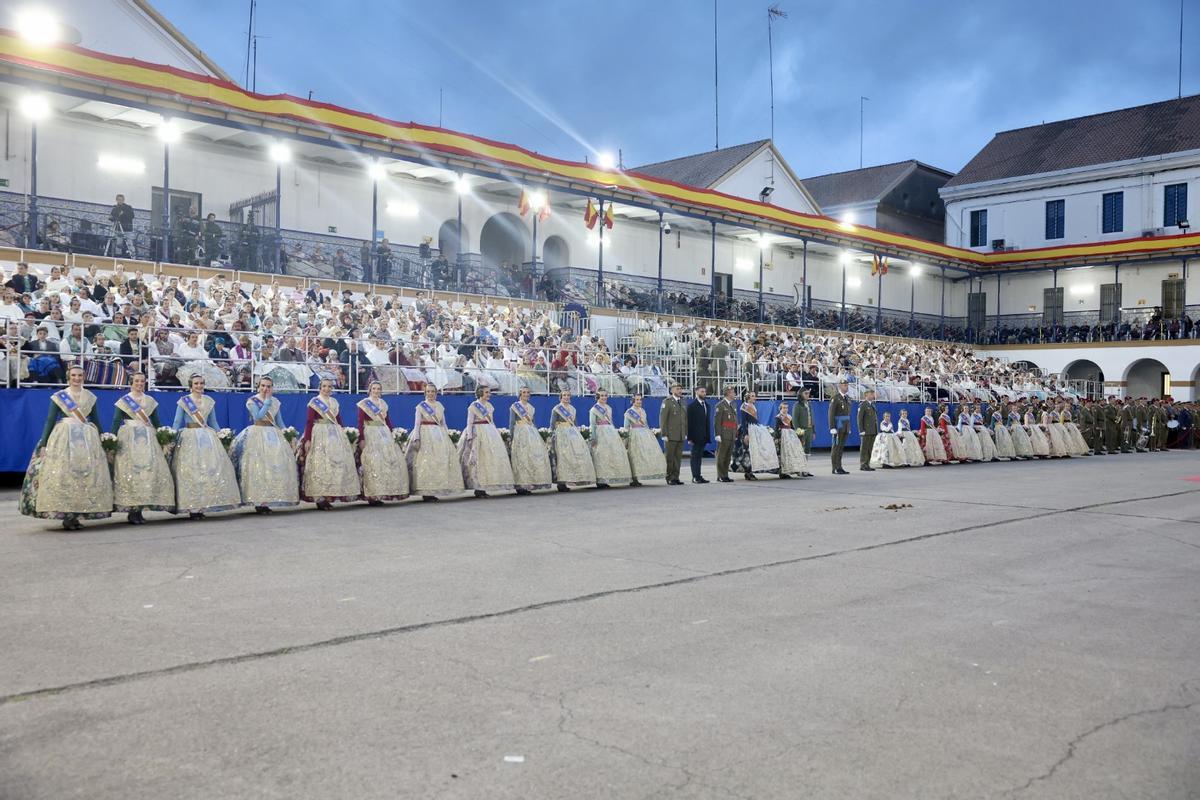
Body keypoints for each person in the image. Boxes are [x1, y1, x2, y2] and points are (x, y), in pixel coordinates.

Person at [19, 365, 113, 530]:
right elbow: (50, 419)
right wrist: (44, 443)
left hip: (87, 440)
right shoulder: (60, 396)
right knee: (66, 475)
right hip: (64, 438)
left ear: (84, 377)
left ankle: (76, 514)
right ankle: (67, 516)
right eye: (74, 375)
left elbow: (96, 420)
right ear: (69, 377)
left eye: (80, 375)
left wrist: (103, 438)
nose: (77, 378)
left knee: (84, 476)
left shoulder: (90, 397)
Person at [171, 374, 242, 519]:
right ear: (190, 385)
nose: (199, 386)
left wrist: (220, 434)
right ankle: (193, 508)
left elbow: (213, 421)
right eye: (196, 383)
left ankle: (204, 505)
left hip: (207, 437)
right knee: (192, 472)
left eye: (202, 383)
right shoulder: (184, 401)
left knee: (209, 470)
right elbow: (177, 422)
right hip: (189, 437)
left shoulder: (209, 401)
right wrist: (171, 437)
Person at [109, 372, 174, 524]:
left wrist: (163, 437)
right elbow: (116, 420)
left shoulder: (150, 400)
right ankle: (133, 510)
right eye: (136, 381)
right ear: (131, 382)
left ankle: (140, 509)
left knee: (147, 472)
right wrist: (111, 439)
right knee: (131, 473)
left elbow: (156, 421)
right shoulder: (124, 401)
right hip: (129, 438)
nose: (139, 383)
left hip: (148, 438)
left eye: (142, 381)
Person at [229, 376, 300, 514]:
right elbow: (258, 417)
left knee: (275, 465)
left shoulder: (276, 402)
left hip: (273, 434)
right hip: (257, 433)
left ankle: (271, 497)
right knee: (259, 468)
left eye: (268, 386)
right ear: (258, 386)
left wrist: (287, 434)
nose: (265, 389)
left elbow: (279, 421)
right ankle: (259, 501)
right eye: (263, 386)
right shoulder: (252, 401)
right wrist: (267, 402)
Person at [300, 378, 361, 509]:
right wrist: (308, 439)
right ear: (320, 388)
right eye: (324, 386)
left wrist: (345, 433)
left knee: (335, 463)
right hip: (319, 433)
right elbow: (309, 421)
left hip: (335, 434)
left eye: (329, 387)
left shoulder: (334, 402)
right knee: (321, 464)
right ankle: (320, 498)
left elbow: (338, 419)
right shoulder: (314, 402)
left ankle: (330, 495)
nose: (327, 389)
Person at [407, 385, 466, 501]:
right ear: (425, 393)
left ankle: (437, 488)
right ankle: (426, 491)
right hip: (425, 434)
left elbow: (443, 423)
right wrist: (417, 437)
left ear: (436, 393)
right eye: (428, 391)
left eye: (433, 391)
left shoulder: (439, 406)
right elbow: (417, 424)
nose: (430, 393)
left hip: (439, 435)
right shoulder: (421, 406)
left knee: (439, 461)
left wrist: (448, 436)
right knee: (427, 462)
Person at [460, 386, 516, 498]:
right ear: (480, 393)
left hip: (489, 432)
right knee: (478, 460)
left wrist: (496, 433)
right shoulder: (473, 406)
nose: (489, 394)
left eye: (489, 392)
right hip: (477, 433)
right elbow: (469, 423)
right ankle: (478, 488)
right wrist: (470, 436)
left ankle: (485, 485)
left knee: (488, 460)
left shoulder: (490, 406)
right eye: (486, 392)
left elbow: (492, 421)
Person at [508, 387, 552, 494]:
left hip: (531, 433)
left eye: (528, 392)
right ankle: (520, 485)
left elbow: (533, 422)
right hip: (520, 432)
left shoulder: (532, 408)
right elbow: (512, 422)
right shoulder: (515, 406)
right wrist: (511, 436)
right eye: (524, 392)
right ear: (520, 394)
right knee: (521, 458)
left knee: (532, 457)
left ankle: (530, 483)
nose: (526, 394)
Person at [549, 390, 596, 491]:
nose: (566, 397)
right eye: (564, 395)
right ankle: (561, 483)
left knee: (576, 456)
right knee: (564, 458)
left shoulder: (573, 409)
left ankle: (574, 478)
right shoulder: (557, 409)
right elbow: (552, 424)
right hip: (561, 435)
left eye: (568, 395)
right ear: (561, 397)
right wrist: (551, 436)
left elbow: (575, 423)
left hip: (573, 434)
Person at [589, 390, 632, 488]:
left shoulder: (609, 408)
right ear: (597, 397)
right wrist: (593, 437)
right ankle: (600, 479)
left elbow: (611, 421)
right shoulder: (594, 409)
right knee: (601, 455)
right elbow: (592, 424)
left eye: (605, 395)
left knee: (611, 454)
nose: (604, 397)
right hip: (600, 432)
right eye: (602, 396)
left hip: (610, 431)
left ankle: (608, 476)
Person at [734, 390, 779, 480]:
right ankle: (748, 472)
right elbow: (743, 421)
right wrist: (745, 433)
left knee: (758, 450)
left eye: (754, 396)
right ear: (748, 397)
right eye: (752, 396)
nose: (755, 397)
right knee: (748, 452)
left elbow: (756, 419)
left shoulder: (753, 406)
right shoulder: (744, 406)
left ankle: (754, 470)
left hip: (755, 428)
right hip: (748, 429)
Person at [624, 393, 666, 486]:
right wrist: (626, 439)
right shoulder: (629, 412)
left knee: (643, 456)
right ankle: (633, 478)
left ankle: (639, 476)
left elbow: (645, 423)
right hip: (634, 434)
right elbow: (626, 427)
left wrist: (650, 433)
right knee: (634, 456)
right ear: (633, 401)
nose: (639, 401)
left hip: (644, 433)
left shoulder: (643, 411)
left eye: (640, 400)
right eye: (637, 400)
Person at [659, 383, 686, 485]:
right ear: (672, 390)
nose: (680, 391)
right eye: (677, 389)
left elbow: (684, 419)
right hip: (670, 435)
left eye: (681, 389)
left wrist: (685, 432)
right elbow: (663, 419)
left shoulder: (683, 401)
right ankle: (669, 477)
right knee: (670, 458)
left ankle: (676, 477)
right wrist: (664, 434)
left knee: (678, 458)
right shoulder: (667, 402)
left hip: (680, 434)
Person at [774, 401, 809, 478]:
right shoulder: (778, 417)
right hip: (783, 436)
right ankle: (783, 472)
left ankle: (794, 469)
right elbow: (776, 428)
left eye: (786, 408)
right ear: (780, 408)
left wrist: (798, 433)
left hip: (790, 435)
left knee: (793, 452)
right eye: (783, 408)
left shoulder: (789, 417)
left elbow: (792, 427)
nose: (785, 409)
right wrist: (776, 438)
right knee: (784, 454)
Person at [686, 386, 711, 484]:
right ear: (696, 392)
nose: (704, 393)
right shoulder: (692, 406)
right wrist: (690, 437)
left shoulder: (706, 405)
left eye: (705, 391)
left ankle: (699, 475)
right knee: (694, 457)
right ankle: (695, 476)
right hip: (695, 437)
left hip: (703, 436)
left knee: (699, 457)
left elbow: (706, 422)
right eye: (702, 391)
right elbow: (689, 423)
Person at [713, 386, 737, 482]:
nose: (734, 394)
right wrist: (717, 434)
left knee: (728, 456)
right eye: (732, 392)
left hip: (731, 433)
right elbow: (717, 421)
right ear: (728, 393)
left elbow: (734, 420)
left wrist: (735, 433)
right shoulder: (720, 405)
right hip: (723, 434)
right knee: (721, 455)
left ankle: (725, 474)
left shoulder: (733, 405)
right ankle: (720, 475)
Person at [829, 380, 851, 475]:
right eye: (845, 385)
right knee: (836, 447)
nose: (846, 387)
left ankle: (840, 466)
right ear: (840, 386)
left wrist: (848, 427)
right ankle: (835, 467)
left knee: (841, 447)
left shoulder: (846, 398)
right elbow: (831, 413)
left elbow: (847, 414)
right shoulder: (835, 398)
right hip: (838, 425)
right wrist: (832, 427)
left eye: (847, 385)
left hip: (844, 425)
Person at [856, 389, 878, 472]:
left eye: (873, 393)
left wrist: (876, 430)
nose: (872, 395)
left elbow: (875, 419)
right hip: (866, 430)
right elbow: (859, 419)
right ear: (866, 395)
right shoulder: (863, 405)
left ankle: (867, 464)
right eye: (871, 394)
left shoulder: (872, 405)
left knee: (870, 448)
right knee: (864, 448)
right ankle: (863, 464)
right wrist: (861, 430)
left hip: (872, 430)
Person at [793, 388, 814, 456]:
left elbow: (812, 419)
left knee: (807, 451)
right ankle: (800, 465)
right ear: (800, 394)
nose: (808, 395)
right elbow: (795, 419)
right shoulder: (797, 405)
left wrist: (813, 431)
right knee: (800, 450)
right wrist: (798, 430)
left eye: (808, 393)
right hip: (802, 430)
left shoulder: (809, 405)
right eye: (806, 393)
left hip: (809, 430)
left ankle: (805, 465)